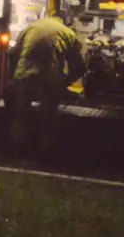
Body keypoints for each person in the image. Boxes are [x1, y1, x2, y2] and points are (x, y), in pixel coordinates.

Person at [6, 13, 87, 153]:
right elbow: (80, 66)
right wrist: (65, 83)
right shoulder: (68, 33)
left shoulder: (31, 27)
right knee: (48, 112)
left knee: (21, 110)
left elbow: (12, 53)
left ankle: (17, 145)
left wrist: (13, 77)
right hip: (50, 75)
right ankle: (45, 146)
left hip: (25, 71)